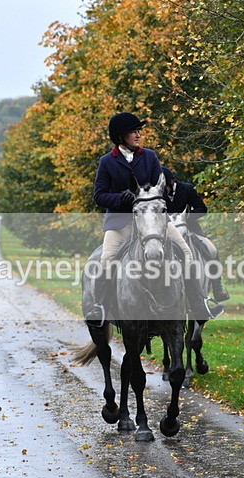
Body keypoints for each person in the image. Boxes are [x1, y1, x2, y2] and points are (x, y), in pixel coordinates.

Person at [87, 112, 223, 326]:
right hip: (121, 223)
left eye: (139, 131)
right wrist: (120, 198)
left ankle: (198, 303)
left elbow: (158, 187)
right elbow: (99, 196)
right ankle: (100, 307)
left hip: (153, 221)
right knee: (107, 258)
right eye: (134, 132)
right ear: (121, 136)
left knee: (186, 252)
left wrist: (150, 201)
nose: (139, 135)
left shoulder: (149, 157)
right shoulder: (107, 162)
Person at [162, 166, 230, 303]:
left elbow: (202, 209)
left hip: (189, 228)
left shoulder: (186, 189)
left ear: (172, 181)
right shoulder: (157, 192)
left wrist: (186, 217)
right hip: (166, 230)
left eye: (165, 187)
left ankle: (218, 288)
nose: (164, 190)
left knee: (212, 250)